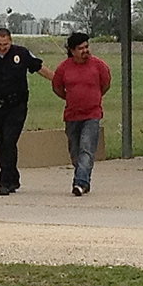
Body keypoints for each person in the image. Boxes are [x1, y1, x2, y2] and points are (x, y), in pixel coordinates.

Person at [0, 28, 53, 195]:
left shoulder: (21, 54)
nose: (2, 47)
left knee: (9, 140)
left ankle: (4, 182)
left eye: (5, 44)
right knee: (2, 143)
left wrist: (61, 81)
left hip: (16, 106)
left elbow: (41, 69)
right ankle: (12, 177)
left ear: (11, 41)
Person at [51, 31, 112, 196]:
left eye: (86, 47)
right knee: (75, 152)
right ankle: (83, 178)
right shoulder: (64, 68)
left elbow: (105, 84)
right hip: (72, 116)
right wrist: (70, 97)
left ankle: (80, 182)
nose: (85, 51)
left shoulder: (98, 65)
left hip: (92, 114)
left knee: (87, 148)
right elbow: (57, 87)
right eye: (80, 48)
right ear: (72, 51)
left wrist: (94, 97)